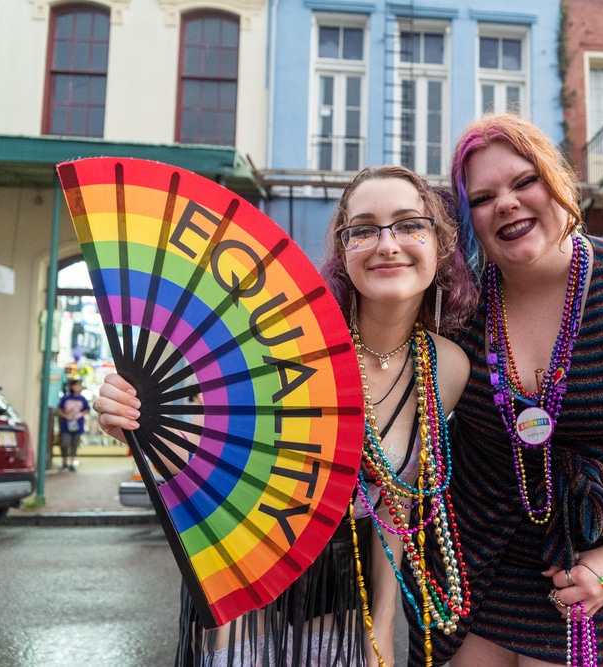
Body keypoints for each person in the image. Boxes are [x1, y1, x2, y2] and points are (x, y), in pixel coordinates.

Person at [93, 165, 478, 667]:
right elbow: (210, 467)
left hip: (339, 604)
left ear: (440, 244)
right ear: (344, 254)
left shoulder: (446, 366)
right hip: (241, 599)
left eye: (410, 225)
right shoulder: (287, 345)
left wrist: (380, 628)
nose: (388, 244)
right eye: (363, 229)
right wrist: (129, 415)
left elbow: (395, 505)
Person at [409, 114, 603, 666]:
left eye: (523, 182)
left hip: (590, 552)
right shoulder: (454, 305)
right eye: (482, 197)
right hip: (467, 554)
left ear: (557, 180)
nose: (506, 203)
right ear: (468, 220)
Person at [56, 378, 90, 471]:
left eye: (79, 385)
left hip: (77, 425)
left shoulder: (83, 399)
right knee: (64, 443)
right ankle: (64, 462)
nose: (77, 387)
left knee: (74, 443)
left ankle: (71, 463)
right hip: (66, 425)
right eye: (76, 385)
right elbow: (59, 409)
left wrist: (80, 414)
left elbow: (87, 410)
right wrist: (65, 415)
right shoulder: (66, 398)